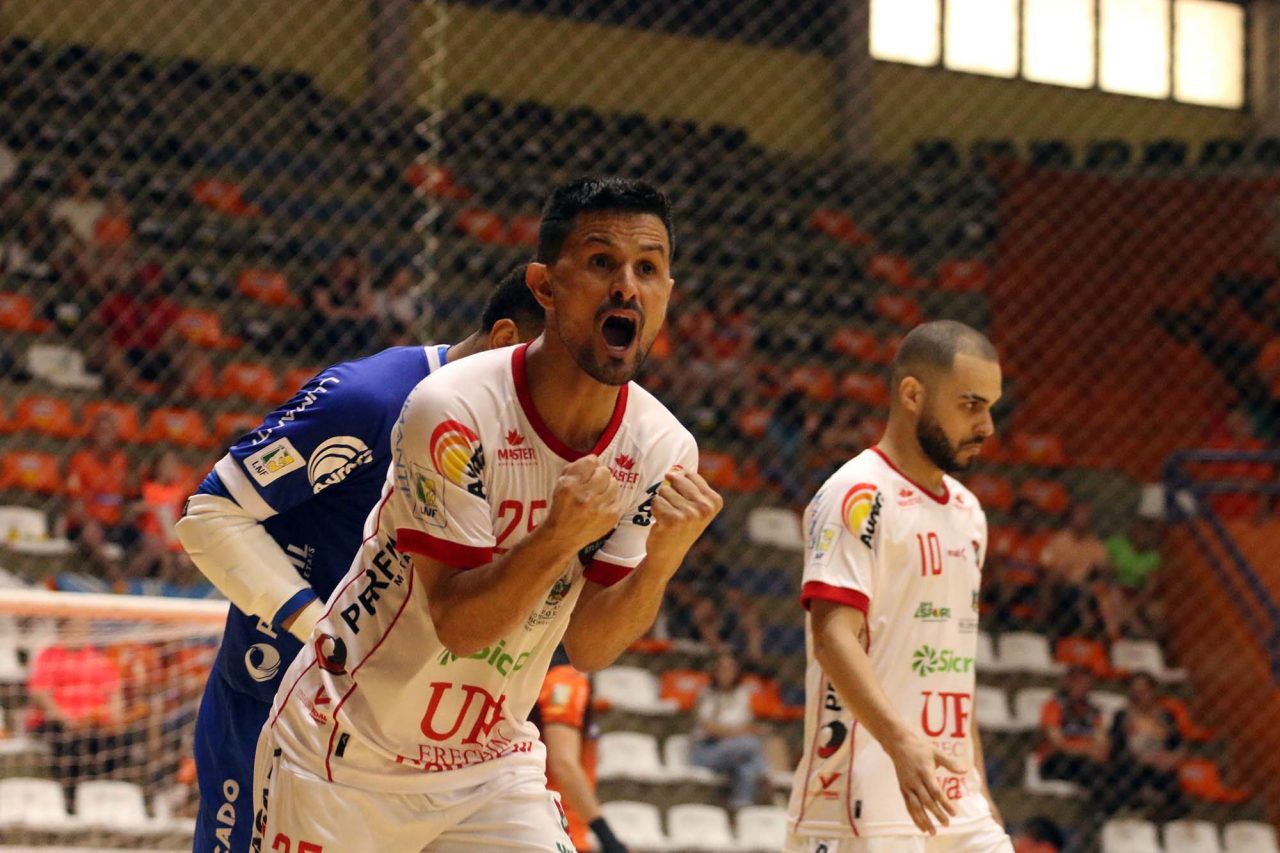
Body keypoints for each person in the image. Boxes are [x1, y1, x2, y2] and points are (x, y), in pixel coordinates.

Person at [249, 177, 722, 851]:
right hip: (345, 751)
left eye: (647, 268)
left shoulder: (662, 446)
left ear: (667, 296)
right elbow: (460, 627)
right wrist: (559, 536)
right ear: (544, 286)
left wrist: (664, 560)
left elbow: (589, 646)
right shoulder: (453, 407)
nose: (626, 286)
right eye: (600, 262)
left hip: (488, 764)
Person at [174, 267, 545, 853]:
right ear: (506, 342)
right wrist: (319, 630)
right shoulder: (370, 399)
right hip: (278, 705)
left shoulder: (526, 443)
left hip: (401, 740)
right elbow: (210, 515)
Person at [787, 320, 1011, 851]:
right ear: (912, 394)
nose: (988, 426)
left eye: (991, 407)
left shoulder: (968, 511)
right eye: (971, 405)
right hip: (858, 796)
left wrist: (977, 784)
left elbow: (953, 663)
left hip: (952, 794)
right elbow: (833, 638)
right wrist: (901, 742)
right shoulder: (856, 494)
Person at [531, 647, 627, 852]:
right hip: (556, 829)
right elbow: (563, 764)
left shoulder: (543, 673)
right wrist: (607, 836)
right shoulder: (565, 679)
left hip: (542, 825)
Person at [691, 652, 770, 809]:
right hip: (707, 750)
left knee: (746, 769)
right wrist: (738, 731)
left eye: (731, 669)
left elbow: (747, 725)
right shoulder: (707, 694)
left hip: (736, 752)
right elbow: (710, 728)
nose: (726, 673)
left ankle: (740, 807)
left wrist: (731, 732)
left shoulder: (742, 693)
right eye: (722, 668)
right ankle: (766, 777)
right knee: (751, 745)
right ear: (714, 671)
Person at [1109, 673, 1188, 820]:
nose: (1139, 697)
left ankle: (1164, 814)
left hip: (1161, 764)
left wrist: (1171, 758)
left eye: (1144, 692)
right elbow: (1118, 747)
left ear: (1153, 692)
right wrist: (1144, 757)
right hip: (1133, 765)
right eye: (1136, 692)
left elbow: (1179, 745)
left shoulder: (1165, 716)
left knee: (1171, 781)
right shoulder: (1123, 716)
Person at [1037, 667, 1109, 810]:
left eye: (1086, 684)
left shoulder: (1093, 711)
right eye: (1077, 683)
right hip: (1055, 761)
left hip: (1087, 761)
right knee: (1092, 772)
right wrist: (1088, 750)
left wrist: (1093, 751)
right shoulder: (1054, 706)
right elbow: (1058, 743)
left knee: (1105, 770)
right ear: (1068, 683)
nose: (1082, 688)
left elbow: (1102, 742)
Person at [1041, 504, 1111, 639]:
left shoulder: (1095, 544)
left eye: (1088, 516)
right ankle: (1086, 625)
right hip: (1062, 584)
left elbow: (1104, 569)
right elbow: (1050, 568)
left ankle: (1111, 634)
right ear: (1070, 518)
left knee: (1104, 591)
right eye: (1080, 515)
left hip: (1086, 585)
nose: (1084, 519)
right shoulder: (1058, 540)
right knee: (1072, 588)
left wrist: (1102, 572)